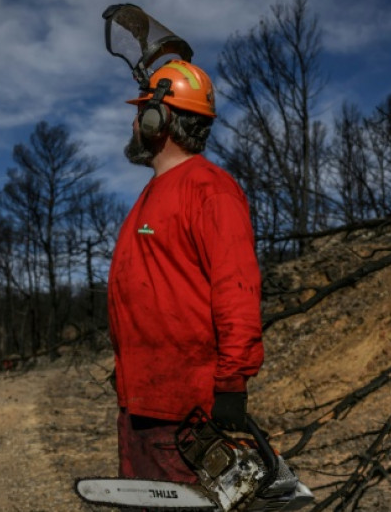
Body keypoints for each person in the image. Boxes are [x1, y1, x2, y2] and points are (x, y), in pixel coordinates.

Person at [107, 59, 264, 484]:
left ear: (161, 117)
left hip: (182, 411)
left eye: (141, 112)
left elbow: (237, 290)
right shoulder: (150, 195)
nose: (135, 122)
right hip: (142, 401)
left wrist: (231, 385)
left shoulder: (210, 190)